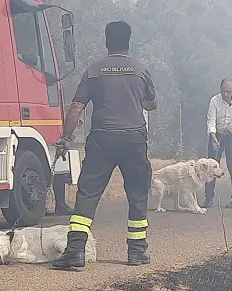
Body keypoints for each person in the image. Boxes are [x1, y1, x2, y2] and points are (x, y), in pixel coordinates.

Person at [51, 20, 158, 270]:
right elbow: (151, 104)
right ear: (128, 42)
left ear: (106, 41)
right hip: (133, 139)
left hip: (102, 139)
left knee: (88, 194)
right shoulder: (141, 70)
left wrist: (66, 137)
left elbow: (76, 107)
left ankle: (76, 252)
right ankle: (136, 252)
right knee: (137, 193)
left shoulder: (94, 70)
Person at [203, 79, 232, 209]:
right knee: (211, 165)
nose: (225, 95)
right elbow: (210, 120)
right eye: (223, 91)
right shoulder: (214, 101)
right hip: (217, 134)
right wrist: (213, 136)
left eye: (228, 92)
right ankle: (208, 198)